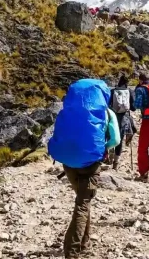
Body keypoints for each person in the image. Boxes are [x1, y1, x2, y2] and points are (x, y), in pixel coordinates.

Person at [48, 79, 120, 258]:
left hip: (68, 163)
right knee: (82, 204)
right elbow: (116, 140)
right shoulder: (107, 113)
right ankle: (71, 251)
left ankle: (84, 241)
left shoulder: (67, 111)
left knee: (83, 199)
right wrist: (103, 148)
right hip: (90, 164)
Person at [107, 75, 137, 170]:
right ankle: (116, 163)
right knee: (120, 139)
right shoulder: (130, 92)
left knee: (111, 136)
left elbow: (107, 104)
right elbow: (133, 108)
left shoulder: (112, 91)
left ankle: (110, 158)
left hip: (113, 117)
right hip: (124, 118)